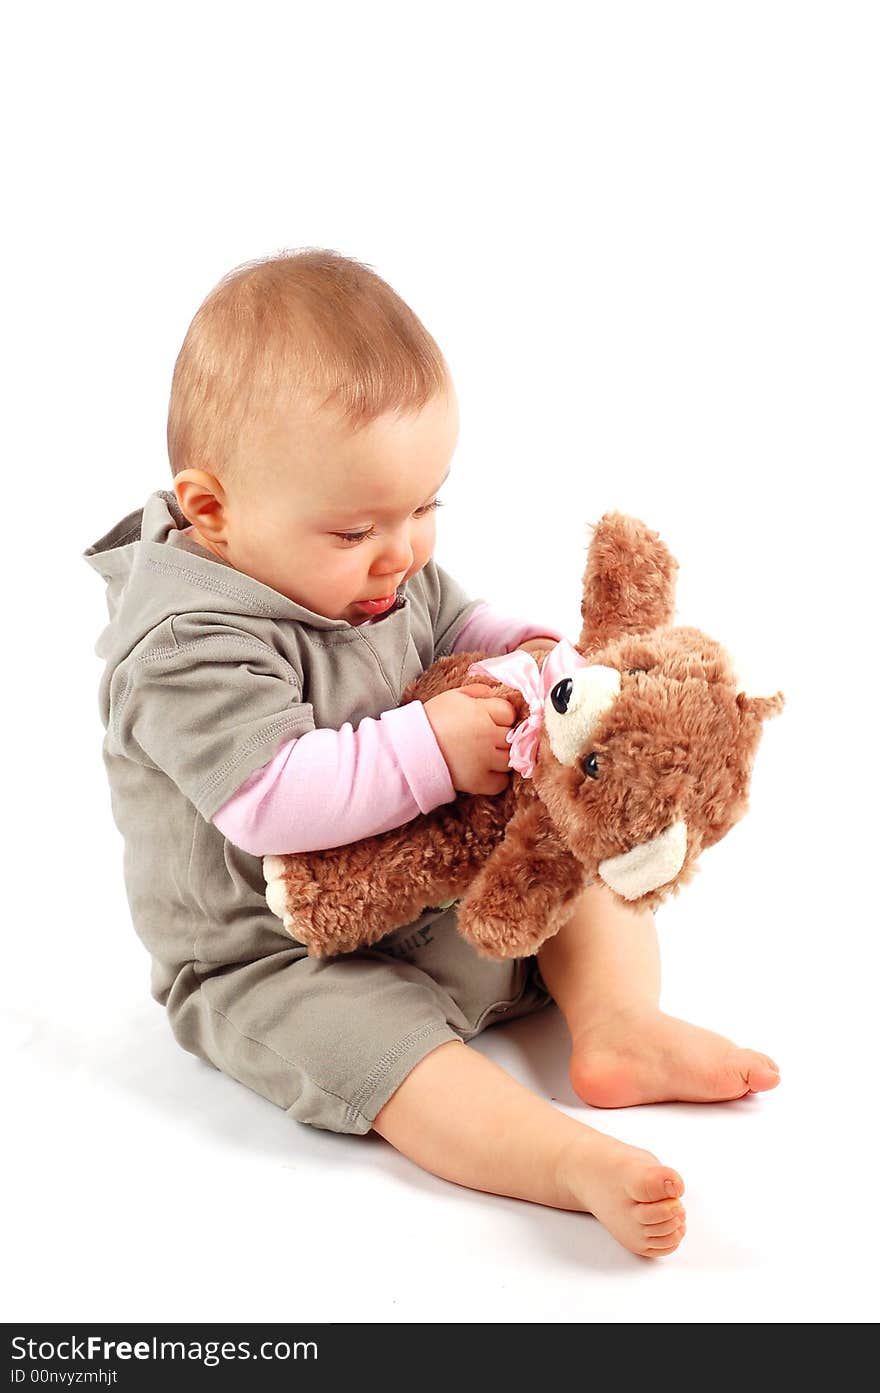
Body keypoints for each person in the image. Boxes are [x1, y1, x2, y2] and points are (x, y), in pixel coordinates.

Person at [84, 248, 780, 1259]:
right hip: (276, 953)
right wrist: (428, 750)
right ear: (213, 510)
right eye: (361, 526)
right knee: (385, 1056)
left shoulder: (374, 558)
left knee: (569, 867)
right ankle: (560, 1160)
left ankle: (619, 1026)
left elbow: (456, 619)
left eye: (425, 507)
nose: (401, 551)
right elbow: (266, 795)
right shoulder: (186, 640)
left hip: (427, 887)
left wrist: (539, 659)